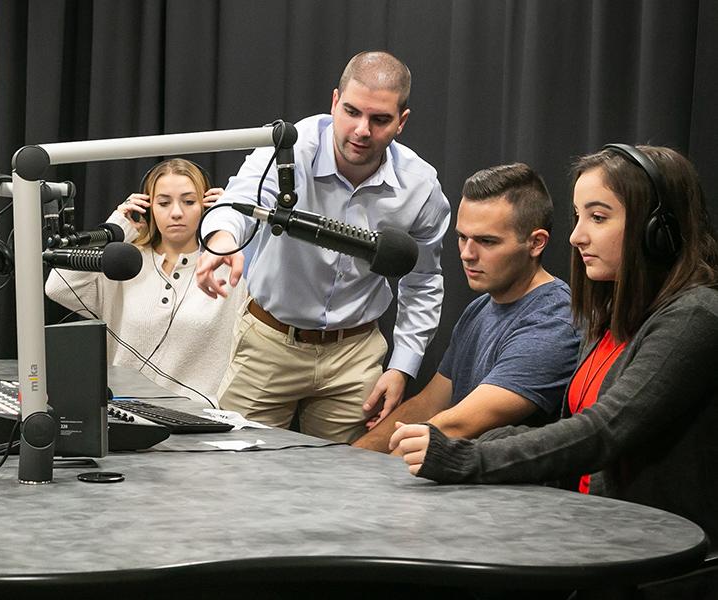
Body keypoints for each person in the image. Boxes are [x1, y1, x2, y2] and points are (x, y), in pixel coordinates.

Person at [390, 144, 718, 545]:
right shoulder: (611, 316)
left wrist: (465, 455)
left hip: (655, 554)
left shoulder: (696, 316)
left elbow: (604, 431)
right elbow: (568, 429)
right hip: (590, 530)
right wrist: (488, 442)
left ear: (658, 229)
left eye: (598, 217)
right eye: (578, 217)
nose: (578, 236)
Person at [196, 50, 451, 443]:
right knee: (233, 473)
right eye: (351, 112)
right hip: (269, 342)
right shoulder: (286, 150)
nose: (361, 130)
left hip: (354, 354)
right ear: (334, 102)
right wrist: (222, 242)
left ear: (402, 122)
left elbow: (423, 281)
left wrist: (402, 366)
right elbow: (238, 201)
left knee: (343, 489)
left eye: (380, 119)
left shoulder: (420, 187)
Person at [354, 163, 580, 452]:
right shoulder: (480, 309)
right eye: (463, 237)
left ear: (536, 243)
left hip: (507, 494)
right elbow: (428, 404)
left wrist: (363, 479)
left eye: (487, 241)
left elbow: (458, 425)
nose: (467, 254)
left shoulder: (553, 322)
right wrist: (356, 456)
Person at [45, 158, 246, 404]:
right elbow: (57, 287)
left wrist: (230, 221)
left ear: (206, 207)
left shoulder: (228, 265)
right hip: (125, 413)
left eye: (189, 201)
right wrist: (117, 228)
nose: (176, 213)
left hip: (201, 419)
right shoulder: (124, 262)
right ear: (148, 208)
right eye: (163, 203)